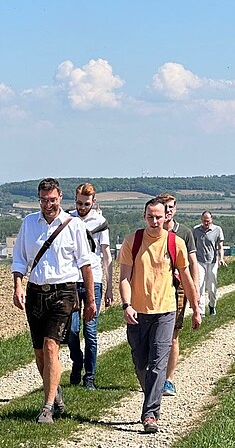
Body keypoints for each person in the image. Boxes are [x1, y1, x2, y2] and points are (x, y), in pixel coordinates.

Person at [11, 178, 96, 425]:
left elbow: (85, 265)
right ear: (38, 199)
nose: (48, 204)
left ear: (60, 198)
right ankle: (54, 391)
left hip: (64, 292)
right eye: (43, 200)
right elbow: (19, 259)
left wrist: (90, 300)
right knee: (39, 353)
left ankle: (47, 407)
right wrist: (18, 286)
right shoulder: (29, 224)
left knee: (51, 346)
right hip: (36, 292)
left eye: (52, 199)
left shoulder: (74, 226)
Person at [119, 197, 201, 433]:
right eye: (150, 217)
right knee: (140, 362)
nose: (155, 221)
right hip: (137, 311)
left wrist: (196, 308)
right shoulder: (132, 242)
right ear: (144, 217)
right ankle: (151, 397)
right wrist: (127, 305)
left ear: (167, 217)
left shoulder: (175, 243)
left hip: (165, 310)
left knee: (157, 363)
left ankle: (150, 414)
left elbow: (185, 278)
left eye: (159, 217)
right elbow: (124, 277)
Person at [66, 182, 113, 390]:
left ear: (93, 202)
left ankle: (90, 376)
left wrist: (110, 286)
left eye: (85, 204)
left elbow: (106, 255)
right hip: (72, 279)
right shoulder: (67, 219)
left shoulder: (100, 223)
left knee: (91, 331)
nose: (81, 207)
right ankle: (77, 361)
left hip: (94, 279)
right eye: (78, 203)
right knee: (72, 330)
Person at [157, 193, 199, 398]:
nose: (168, 210)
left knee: (173, 335)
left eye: (171, 207)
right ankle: (154, 375)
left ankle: (168, 379)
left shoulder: (184, 233)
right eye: (165, 207)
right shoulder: (152, 232)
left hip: (179, 286)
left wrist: (196, 291)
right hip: (156, 287)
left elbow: (192, 263)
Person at [192, 210, 225, 315]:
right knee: (200, 285)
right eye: (204, 221)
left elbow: (220, 247)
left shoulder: (217, 230)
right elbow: (192, 246)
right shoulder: (196, 230)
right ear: (201, 220)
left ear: (211, 220)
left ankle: (212, 305)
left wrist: (221, 258)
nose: (206, 223)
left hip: (212, 261)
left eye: (208, 221)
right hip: (199, 261)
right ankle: (201, 311)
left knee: (212, 286)